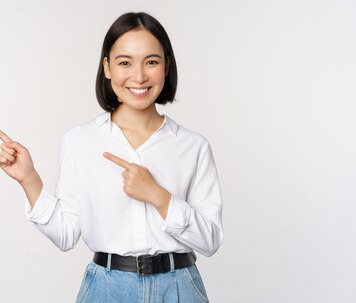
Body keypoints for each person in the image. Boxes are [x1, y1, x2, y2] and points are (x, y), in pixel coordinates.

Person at [0, 12, 223, 302]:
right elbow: (66, 235)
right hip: (106, 289)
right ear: (107, 67)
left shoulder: (193, 146)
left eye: (151, 61)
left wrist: (158, 196)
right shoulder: (79, 141)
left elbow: (210, 241)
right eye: (125, 62)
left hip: (179, 288)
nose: (139, 76)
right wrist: (28, 179)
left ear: (166, 65)